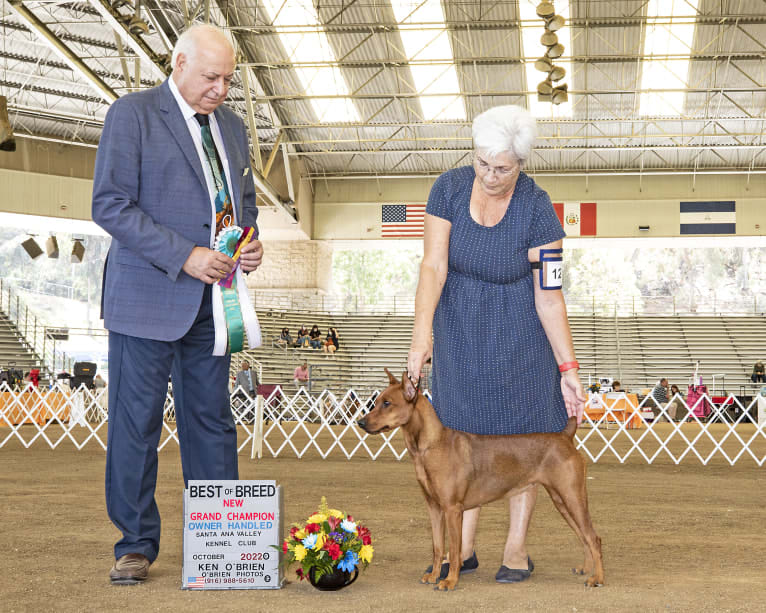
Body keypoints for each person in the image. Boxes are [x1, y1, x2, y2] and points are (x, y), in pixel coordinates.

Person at [91, 24, 263, 585]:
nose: (221, 89)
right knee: (135, 426)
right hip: (146, 298)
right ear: (179, 61)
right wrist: (185, 255)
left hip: (214, 305)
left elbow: (244, 205)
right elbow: (110, 205)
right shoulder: (132, 114)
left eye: (228, 80)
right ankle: (135, 544)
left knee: (212, 423)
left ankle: (221, 540)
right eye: (211, 77)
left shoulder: (233, 128)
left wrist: (248, 242)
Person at [406, 105, 585, 585]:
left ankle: (516, 549)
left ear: (521, 164)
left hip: (521, 339)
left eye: (502, 167)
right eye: (482, 162)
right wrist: (420, 337)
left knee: (521, 439)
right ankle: (461, 549)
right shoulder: (447, 188)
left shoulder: (538, 209)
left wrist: (568, 368)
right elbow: (432, 267)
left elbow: (550, 295)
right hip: (460, 334)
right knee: (460, 434)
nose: (488, 174)